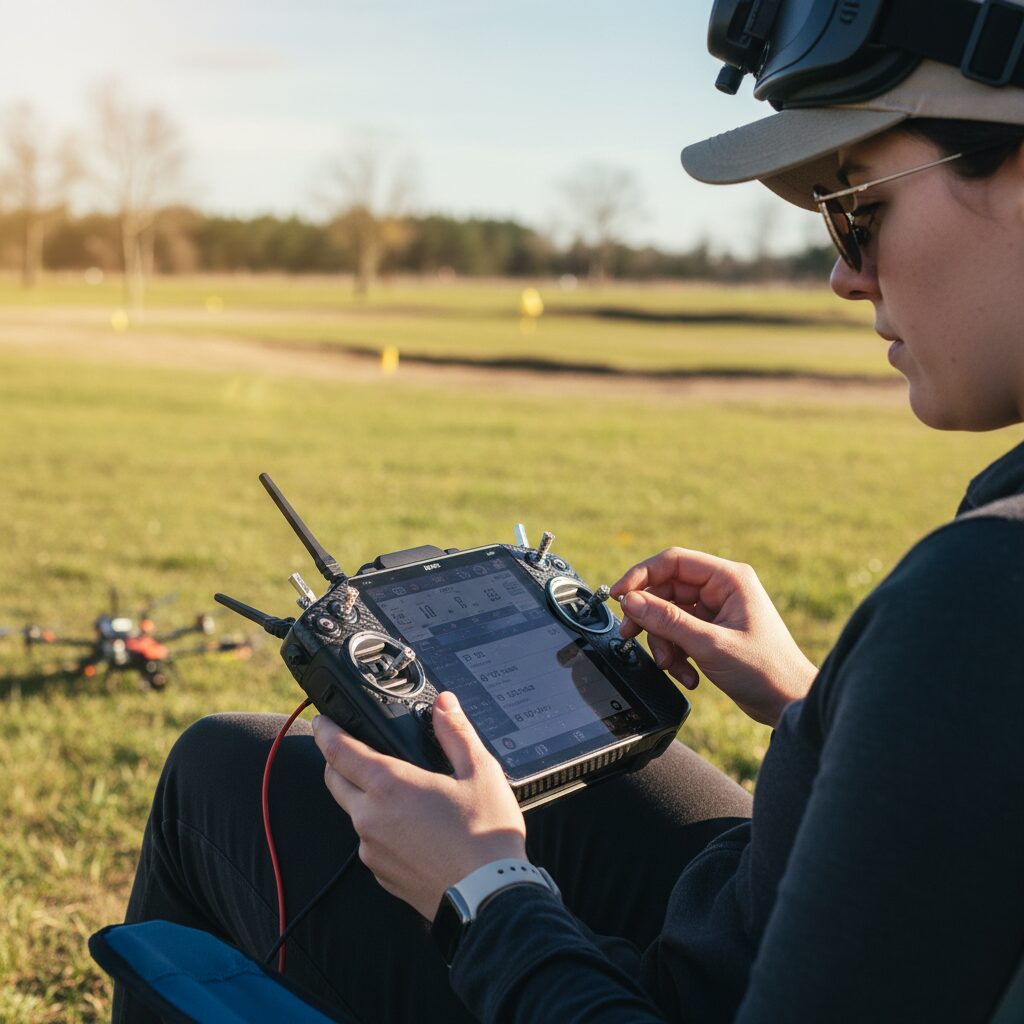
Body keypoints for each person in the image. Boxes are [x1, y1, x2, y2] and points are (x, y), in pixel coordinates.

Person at [113, 2, 1024, 1021]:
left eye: (855, 203)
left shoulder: (984, 593)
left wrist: (485, 890)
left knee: (215, 776)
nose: (843, 273)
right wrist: (830, 717)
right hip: (764, 902)